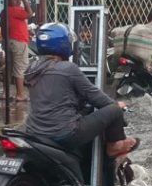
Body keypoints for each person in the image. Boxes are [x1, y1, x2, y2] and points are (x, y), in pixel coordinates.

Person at [24, 23, 139, 157]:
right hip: (65, 133)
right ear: (63, 44)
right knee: (114, 109)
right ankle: (115, 146)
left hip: (35, 132)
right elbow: (97, 98)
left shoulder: (32, 69)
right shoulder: (68, 68)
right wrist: (118, 105)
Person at [0, 0, 31, 102]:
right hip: (18, 42)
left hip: (8, 42)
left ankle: (5, 93)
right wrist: (24, 0)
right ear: (8, 0)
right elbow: (29, 14)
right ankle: (20, 94)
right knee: (19, 69)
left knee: (8, 68)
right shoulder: (14, 10)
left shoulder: (4, 11)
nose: (18, 1)